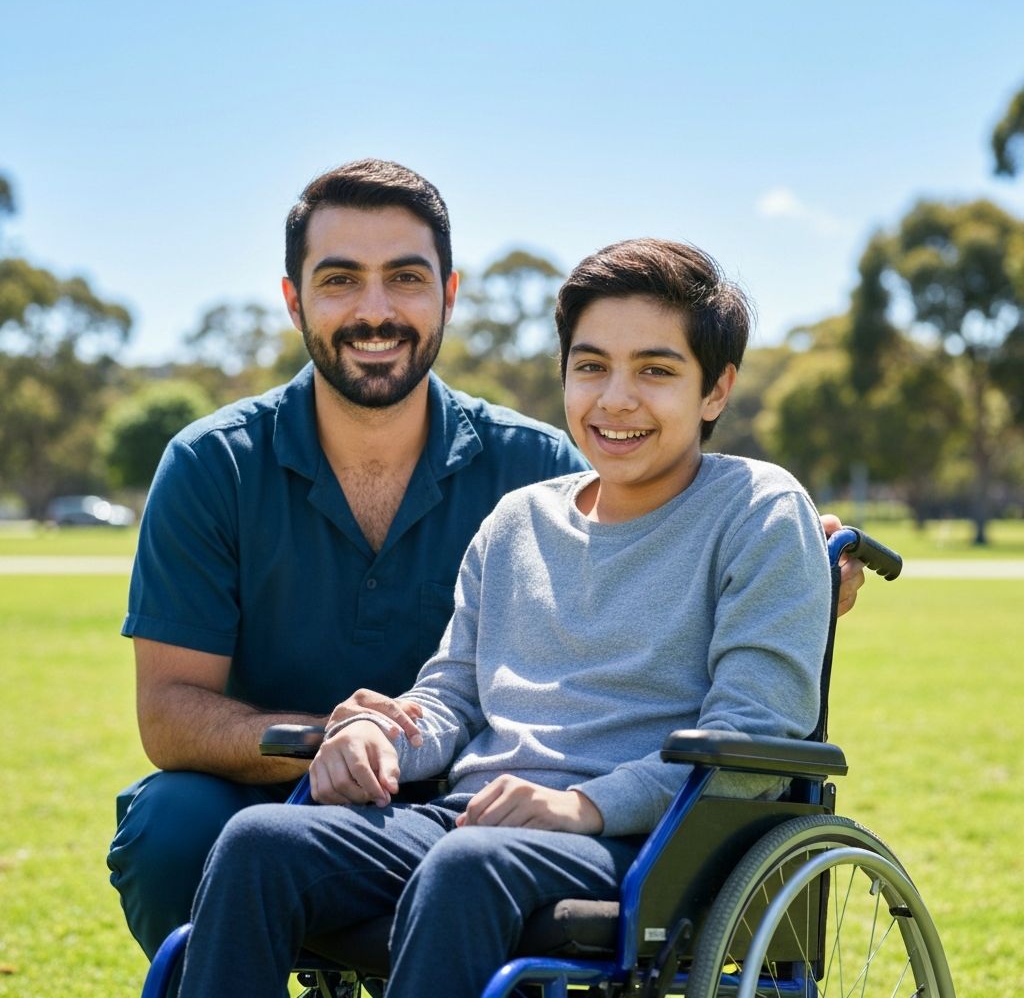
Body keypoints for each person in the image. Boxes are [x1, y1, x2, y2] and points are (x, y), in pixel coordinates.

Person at [108, 160, 865, 961]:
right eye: (591, 366)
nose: (616, 400)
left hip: (636, 838)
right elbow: (451, 695)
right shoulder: (520, 516)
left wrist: (583, 805)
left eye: (656, 370)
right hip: (470, 813)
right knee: (262, 840)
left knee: (469, 863)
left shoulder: (755, 507)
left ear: (715, 390)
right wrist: (373, 734)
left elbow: (748, 739)